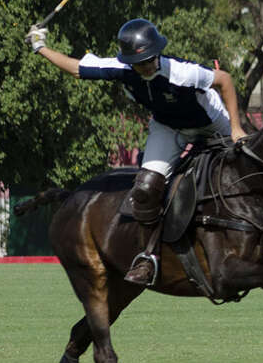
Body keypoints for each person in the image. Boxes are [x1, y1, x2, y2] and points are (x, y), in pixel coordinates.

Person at [26, 19, 246, 285]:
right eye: (139, 62)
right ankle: (148, 256)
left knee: (246, 163)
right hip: (169, 128)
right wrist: (40, 47)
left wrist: (235, 128)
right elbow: (76, 69)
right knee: (145, 187)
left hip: (211, 124)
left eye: (150, 59)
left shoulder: (181, 72)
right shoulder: (121, 69)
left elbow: (224, 79)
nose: (146, 66)